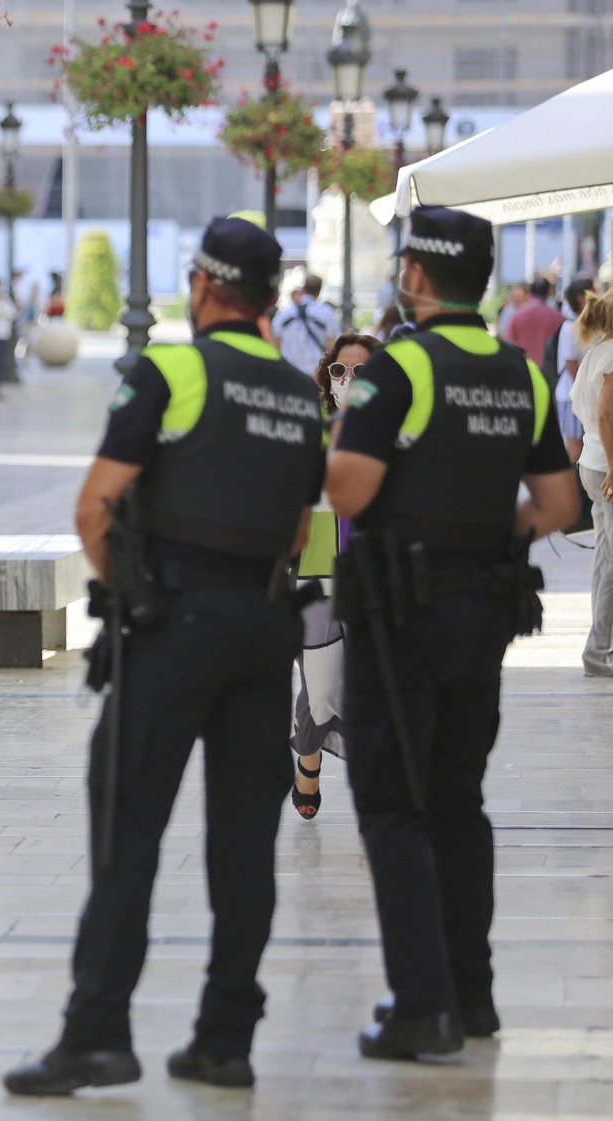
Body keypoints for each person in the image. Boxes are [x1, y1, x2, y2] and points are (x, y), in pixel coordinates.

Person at [6, 217, 324, 1096]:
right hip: (266, 627)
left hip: (176, 621)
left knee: (129, 826)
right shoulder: (301, 393)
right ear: (266, 297)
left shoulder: (173, 368)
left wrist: (135, 593)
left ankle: (97, 1035)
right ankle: (226, 1038)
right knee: (244, 841)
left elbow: (94, 507)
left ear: (203, 285)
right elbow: (302, 531)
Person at [326, 206, 578, 1061]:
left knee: (393, 802)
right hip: (488, 612)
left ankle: (422, 1005)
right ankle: (473, 997)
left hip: (403, 614)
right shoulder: (522, 373)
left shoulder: (399, 369)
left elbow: (351, 493)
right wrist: (478, 527)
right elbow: (557, 506)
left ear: (417, 277)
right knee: (459, 801)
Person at [290, 330, 380, 820]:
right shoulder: (311, 434)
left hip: (376, 575)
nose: (347, 380)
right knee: (320, 687)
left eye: (362, 372)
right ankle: (308, 757)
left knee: (375, 680)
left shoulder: (398, 439)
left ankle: (373, 776)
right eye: (339, 371)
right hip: (317, 572)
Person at [572, 291, 613, 677]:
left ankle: (601, 649)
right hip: (607, 465)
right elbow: (605, 414)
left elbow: (581, 407)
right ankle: (599, 651)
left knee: (605, 557)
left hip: (592, 461)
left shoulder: (596, 352)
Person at [549, 278, 595, 463]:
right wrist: (585, 391)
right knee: (575, 449)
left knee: (582, 447)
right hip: (573, 396)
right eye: (593, 292)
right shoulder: (570, 327)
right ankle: (569, 489)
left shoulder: (584, 324)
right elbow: (570, 364)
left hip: (578, 394)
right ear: (581, 298)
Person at [272, 274, 340, 374]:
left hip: (290, 373)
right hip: (317, 374)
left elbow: (276, 346)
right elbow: (332, 347)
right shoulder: (327, 313)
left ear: (303, 289)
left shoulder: (284, 313)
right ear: (319, 291)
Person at [504, 276, 565, 368]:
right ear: (549, 293)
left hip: (524, 367)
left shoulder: (517, 315)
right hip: (549, 370)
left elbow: (508, 344)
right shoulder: (559, 318)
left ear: (530, 293)